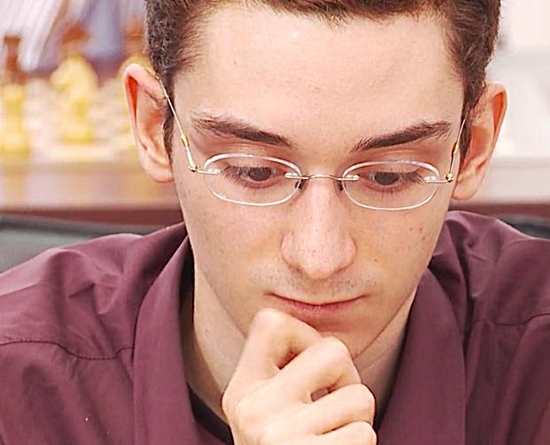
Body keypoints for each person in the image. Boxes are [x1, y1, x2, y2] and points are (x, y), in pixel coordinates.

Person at [0, 1, 549, 444]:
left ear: (475, 145)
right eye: (254, 171)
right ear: (152, 127)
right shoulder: (15, 382)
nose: (318, 258)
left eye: (389, 176)